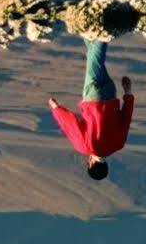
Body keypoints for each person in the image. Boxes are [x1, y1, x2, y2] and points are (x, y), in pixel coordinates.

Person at [47, 38, 135, 179]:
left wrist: (128, 93)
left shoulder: (118, 144)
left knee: (93, 58)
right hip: (93, 98)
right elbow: (71, 124)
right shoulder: (85, 146)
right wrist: (56, 108)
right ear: (91, 164)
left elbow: (126, 117)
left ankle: (89, 29)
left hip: (111, 95)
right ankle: (104, 31)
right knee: (95, 57)